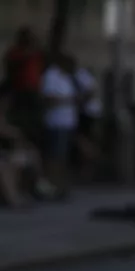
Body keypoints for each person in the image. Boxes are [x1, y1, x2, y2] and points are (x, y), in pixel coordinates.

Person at [39, 52, 76, 197]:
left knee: (62, 156)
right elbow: (48, 99)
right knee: (54, 156)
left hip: (67, 123)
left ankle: (60, 185)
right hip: (55, 123)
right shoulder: (50, 76)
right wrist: (68, 100)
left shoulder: (66, 77)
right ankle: (52, 185)